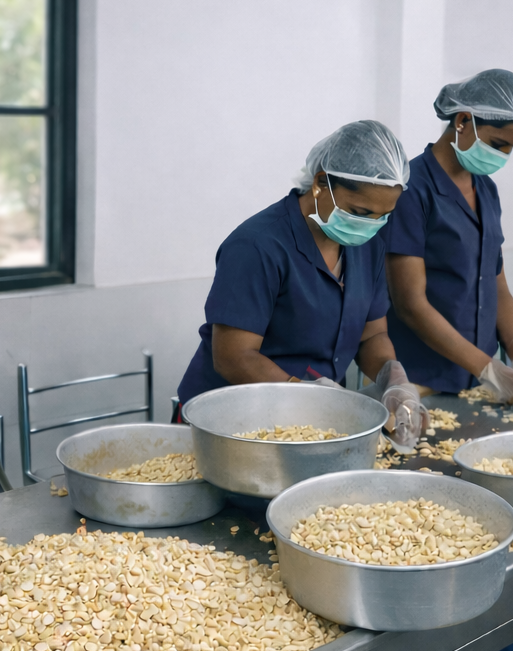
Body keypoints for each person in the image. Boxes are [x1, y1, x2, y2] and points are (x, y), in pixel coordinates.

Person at [176, 120, 429, 450]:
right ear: (321, 183)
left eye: (383, 216)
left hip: (311, 427)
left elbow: (373, 335)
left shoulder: (367, 246)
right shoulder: (257, 246)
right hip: (231, 426)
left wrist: (393, 380)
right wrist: (304, 394)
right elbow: (234, 357)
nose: (370, 225)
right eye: (360, 211)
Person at [384, 69, 513, 412]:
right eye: (498, 144)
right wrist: (491, 370)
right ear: (462, 121)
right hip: (421, 383)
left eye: (512, 148)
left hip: (481, 385)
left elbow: (496, 284)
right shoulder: (412, 192)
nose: (503, 155)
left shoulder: (486, 190)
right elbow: (410, 304)